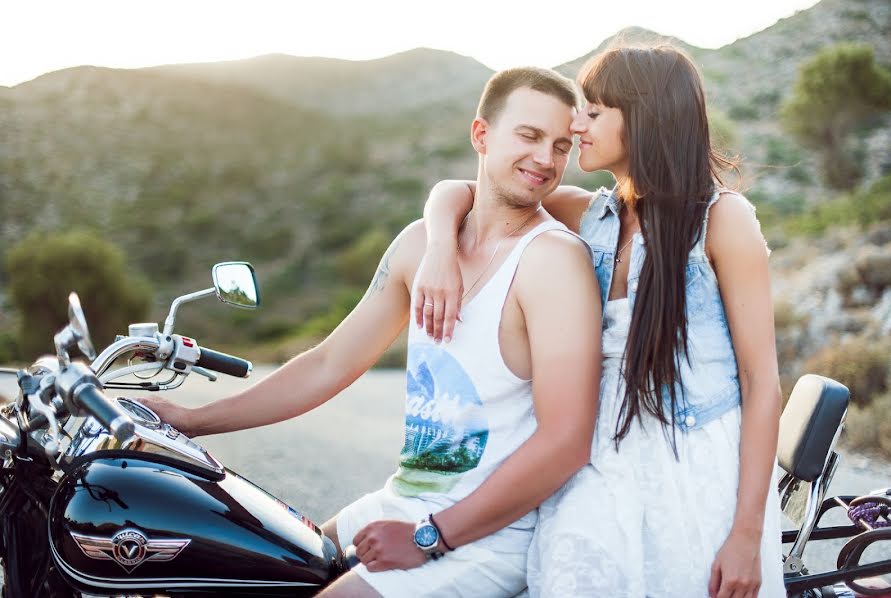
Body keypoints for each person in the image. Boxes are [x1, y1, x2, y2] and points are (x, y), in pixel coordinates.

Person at [140, 67, 602, 598]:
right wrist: (192, 422)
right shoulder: (420, 245)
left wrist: (432, 537)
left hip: (485, 539)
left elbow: (566, 441)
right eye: (529, 135)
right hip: (401, 503)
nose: (546, 158)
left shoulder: (552, 261)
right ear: (481, 135)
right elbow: (329, 363)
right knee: (239, 567)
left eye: (561, 145)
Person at [419, 45, 785, 598]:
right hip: (599, 457)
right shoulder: (590, 213)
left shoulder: (722, 220)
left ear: (644, 118)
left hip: (694, 472)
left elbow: (762, 385)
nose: (576, 122)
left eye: (594, 110)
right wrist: (438, 248)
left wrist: (748, 534)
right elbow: (461, 192)